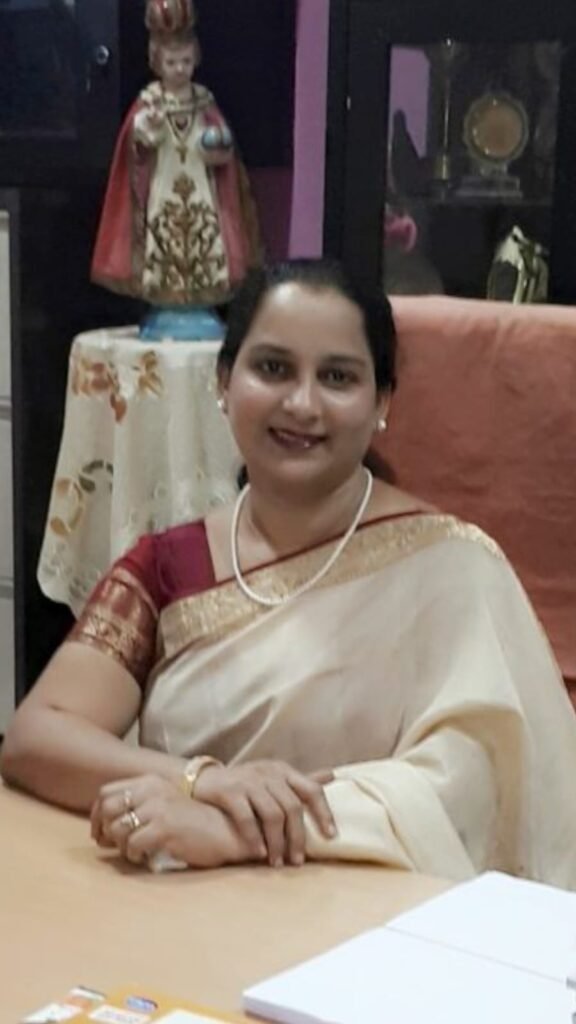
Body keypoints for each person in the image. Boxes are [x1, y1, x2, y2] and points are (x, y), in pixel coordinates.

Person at [3, 258, 576, 887]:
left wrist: (237, 830)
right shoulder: (171, 566)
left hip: (378, 913)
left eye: (337, 377)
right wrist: (203, 781)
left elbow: (478, 788)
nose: (302, 404)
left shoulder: (453, 567)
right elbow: (38, 736)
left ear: (382, 402)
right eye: (273, 369)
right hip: (182, 898)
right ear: (224, 382)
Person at [91, 0, 260, 308]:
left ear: (195, 58)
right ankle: (165, 295)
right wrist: (149, 128)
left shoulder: (203, 101)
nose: (180, 69)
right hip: (164, 184)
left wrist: (218, 148)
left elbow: (222, 142)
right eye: (172, 62)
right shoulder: (150, 102)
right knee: (162, 235)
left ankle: (201, 294)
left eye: (186, 61)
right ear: (157, 62)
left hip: (200, 184)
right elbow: (136, 146)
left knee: (206, 233)